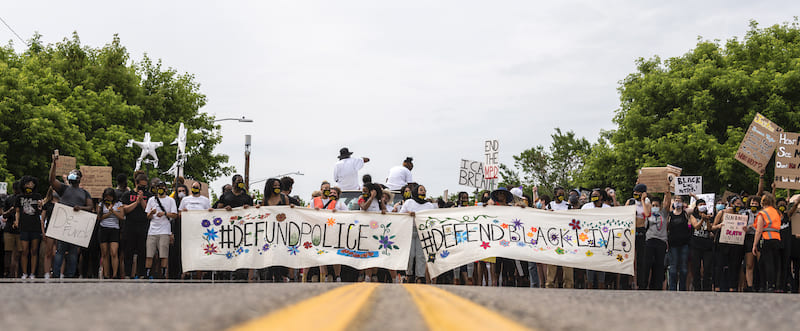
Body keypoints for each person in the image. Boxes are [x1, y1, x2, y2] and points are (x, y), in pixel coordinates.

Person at [49, 154, 94, 279]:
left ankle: (70, 275)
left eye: (76, 174)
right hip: (64, 223)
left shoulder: (84, 193)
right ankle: (56, 274)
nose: (73, 176)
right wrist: (54, 164)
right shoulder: (63, 188)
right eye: (72, 173)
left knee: (73, 252)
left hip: (76, 226)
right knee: (60, 250)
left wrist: (81, 208)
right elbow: (52, 180)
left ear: (80, 178)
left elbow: (90, 207)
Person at [400, 184, 434, 283]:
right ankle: (409, 274)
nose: (423, 192)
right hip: (410, 231)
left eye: (424, 190)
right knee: (410, 255)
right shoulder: (409, 202)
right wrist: (408, 214)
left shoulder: (429, 205)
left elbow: (432, 218)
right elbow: (400, 215)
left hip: (422, 232)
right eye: (421, 190)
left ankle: (420, 276)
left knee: (421, 256)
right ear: (415, 191)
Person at [144, 178, 177, 279]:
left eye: (162, 188)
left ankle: (163, 273)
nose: (160, 189)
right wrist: (151, 213)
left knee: (163, 254)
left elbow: (174, 215)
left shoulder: (170, 200)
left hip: (164, 230)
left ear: (166, 189)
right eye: (158, 188)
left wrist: (165, 213)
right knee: (149, 254)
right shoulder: (151, 200)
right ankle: (148, 273)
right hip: (152, 230)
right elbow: (147, 216)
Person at [179, 181, 212, 279]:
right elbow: (179, 214)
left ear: (200, 189)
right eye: (193, 187)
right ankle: (186, 272)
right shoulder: (185, 199)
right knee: (187, 251)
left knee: (199, 251)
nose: (195, 189)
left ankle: (198, 275)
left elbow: (209, 214)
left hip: (200, 230)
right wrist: (183, 213)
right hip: (188, 230)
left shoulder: (205, 200)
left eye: (197, 187)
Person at [121, 172, 151, 279]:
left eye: (144, 186)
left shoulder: (149, 196)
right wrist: (136, 202)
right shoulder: (127, 195)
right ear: (136, 183)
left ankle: (141, 274)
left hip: (143, 227)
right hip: (130, 226)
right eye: (140, 186)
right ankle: (128, 274)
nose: (142, 188)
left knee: (142, 251)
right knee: (128, 251)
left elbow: (149, 211)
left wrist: (142, 200)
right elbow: (124, 209)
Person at [712, 196, 746, 292]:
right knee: (720, 264)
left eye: (740, 204)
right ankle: (717, 285)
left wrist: (744, 229)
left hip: (735, 243)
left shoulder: (740, 215)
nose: (739, 206)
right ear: (731, 204)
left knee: (734, 265)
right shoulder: (722, 213)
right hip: (722, 242)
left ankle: (732, 286)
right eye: (737, 204)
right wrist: (719, 225)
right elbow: (712, 227)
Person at [752, 193, 782, 292]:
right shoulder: (776, 212)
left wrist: (754, 244)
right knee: (766, 262)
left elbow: (759, 230)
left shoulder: (762, 213)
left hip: (767, 238)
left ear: (762, 202)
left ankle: (770, 285)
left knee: (768, 263)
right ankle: (765, 284)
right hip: (777, 239)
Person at [15, 176, 42, 279]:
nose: (30, 185)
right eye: (27, 183)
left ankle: (32, 273)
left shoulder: (37, 196)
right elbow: (17, 211)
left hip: (35, 226)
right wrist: (17, 221)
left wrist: (40, 205)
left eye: (31, 183)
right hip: (24, 227)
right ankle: (24, 273)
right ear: (23, 185)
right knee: (25, 251)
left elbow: (40, 210)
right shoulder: (19, 197)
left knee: (34, 250)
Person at [546, 187, 574, 289]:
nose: (561, 196)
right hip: (553, 238)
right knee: (552, 264)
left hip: (566, 238)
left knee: (567, 263)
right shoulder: (549, 205)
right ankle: (549, 284)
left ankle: (569, 285)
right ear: (555, 195)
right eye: (560, 194)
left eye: (563, 194)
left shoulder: (568, 206)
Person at [665, 191, 692, 291]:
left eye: (679, 201)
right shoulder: (670, 215)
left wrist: (693, 196)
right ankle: (672, 288)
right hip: (673, 245)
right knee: (673, 268)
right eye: (676, 201)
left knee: (684, 268)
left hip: (684, 244)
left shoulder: (685, 213)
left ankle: (682, 288)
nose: (677, 202)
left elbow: (696, 208)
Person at [582, 189, 610, 289]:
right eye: (592, 195)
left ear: (601, 197)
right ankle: (589, 286)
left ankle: (601, 286)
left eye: (596, 195)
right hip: (590, 240)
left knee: (601, 265)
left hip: (603, 241)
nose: (593, 196)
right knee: (590, 265)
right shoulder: (586, 207)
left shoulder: (607, 208)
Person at [628, 183, 651, 290]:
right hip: (631, 231)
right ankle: (629, 282)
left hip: (641, 231)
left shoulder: (647, 203)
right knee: (630, 259)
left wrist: (643, 200)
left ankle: (641, 283)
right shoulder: (630, 202)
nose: (636, 195)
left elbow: (647, 214)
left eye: (638, 193)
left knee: (641, 259)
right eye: (635, 193)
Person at [97, 188, 124, 279]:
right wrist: (109, 213)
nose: (108, 199)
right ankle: (106, 274)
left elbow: (121, 216)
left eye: (110, 197)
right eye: (107, 197)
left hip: (114, 229)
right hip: (103, 228)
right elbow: (99, 217)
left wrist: (113, 211)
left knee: (114, 252)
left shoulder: (119, 204)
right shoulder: (101, 204)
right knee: (104, 253)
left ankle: (115, 274)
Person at [689, 198, 714, 291]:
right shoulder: (693, 216)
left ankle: (706, 287)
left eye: (704, 204)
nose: (702, 206)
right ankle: (697, 287)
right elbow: (696, 226)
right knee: (696, 267)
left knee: (707, 267)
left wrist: (707, 219)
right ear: (697, 207)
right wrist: (702, 220)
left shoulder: (710, 216)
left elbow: (709, 229)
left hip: (707, 246)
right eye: (700, 204)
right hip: (696, 245)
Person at [643, 195, 667, 290]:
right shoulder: (648, 215)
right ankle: (644, 285)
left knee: (659, 265)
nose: (655, 207)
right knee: (647, 264)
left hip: (661, 242)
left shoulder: (663, 213)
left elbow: (667, 202)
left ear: (660, 206)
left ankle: (657, 286)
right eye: (653, 205)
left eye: (657, 205)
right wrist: (642, 198)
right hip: (649, 241)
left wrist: (667, 191)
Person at [2, 181, 21, 278]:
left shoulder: (23, 199)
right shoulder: (9, 199)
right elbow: (4, 215)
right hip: (9, 229)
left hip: (20, 230)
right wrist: (11, 210)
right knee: (8, 252)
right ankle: (7, 271)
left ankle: (15, 273)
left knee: (18, 253)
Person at [742, 195, 761, 291]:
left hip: (759, 238)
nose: (754, 205)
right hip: (749, 238)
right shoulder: (745, 213)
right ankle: (750, 286)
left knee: (760, 262)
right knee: (749, 264)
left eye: (756, 203)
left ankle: (761, 284)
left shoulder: (762, 214)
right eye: (752, 203)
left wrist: (752, 226)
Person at [40, 188, 59, 279]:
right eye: (54, 190)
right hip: (49, 230)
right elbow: (42, 219)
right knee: (48, 252)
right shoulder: (47, 204)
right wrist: (43, 232)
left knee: (58, 253)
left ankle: (58, 272)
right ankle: (47, 273)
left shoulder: (63, 204)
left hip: (60, 231)